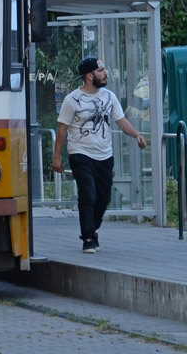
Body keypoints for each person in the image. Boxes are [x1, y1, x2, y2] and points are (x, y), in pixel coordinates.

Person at [52, 57, 147, 253]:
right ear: (89, 75)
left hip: (104, 154)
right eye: (101, 70)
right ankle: (88, 237)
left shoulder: (109, 96)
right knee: (88, 193)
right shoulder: (72, 100)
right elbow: (62, 130)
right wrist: (57, 157)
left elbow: (121, 121)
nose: (105, 73)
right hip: (80, 153)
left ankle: (91, 226)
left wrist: (136, 135)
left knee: (103, 198)